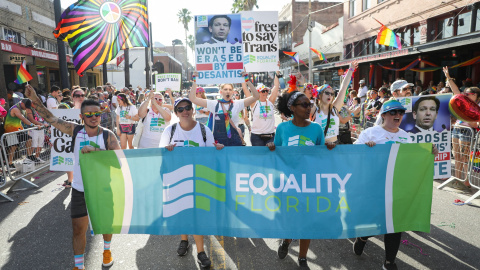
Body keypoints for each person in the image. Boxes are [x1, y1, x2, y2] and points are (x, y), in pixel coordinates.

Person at [25, 84, 120, 270]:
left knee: (105, 224)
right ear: (81, 116)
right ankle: (79, 266)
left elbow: (119, 162)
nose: (94, 117)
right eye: (89, 114)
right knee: (78, 229)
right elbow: (51, 118)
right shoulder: (76, 131)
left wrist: (97, 151)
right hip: (79, 188)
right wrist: (35, 99)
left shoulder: (108, 136)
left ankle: (107, 251)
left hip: (103, 188)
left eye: (97, 114)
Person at [353, 99, 438, 270]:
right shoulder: (370, 133)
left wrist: (431, 151)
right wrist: (366, 149)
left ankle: (389, 262)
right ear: (383, 115)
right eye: (393, 112)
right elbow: (353, 156)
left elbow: (415, 160)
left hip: (397, 188)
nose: (397, 115)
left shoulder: (406, 137)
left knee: (395, 224)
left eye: (400, 112)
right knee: (376, 221)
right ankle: (363, 237)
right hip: (374, 187)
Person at [267, 90, 332, 269]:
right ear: (292, 108)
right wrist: (272, 147)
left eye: (310, 105)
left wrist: (329, 147)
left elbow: (321, 157)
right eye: (304, 105)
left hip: (309, 184)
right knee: (289, 220)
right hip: (288, 184)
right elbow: (277, 155)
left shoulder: (316, 129)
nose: (308, 108)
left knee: (307, 222)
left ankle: (302, 257)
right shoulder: (282, 128)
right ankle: (287, 240)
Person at [159, 97, 224, 269]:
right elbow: (160, 154)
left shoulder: (204, 130)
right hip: (177, 178)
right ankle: (184, 240)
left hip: (199, 178)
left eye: (188, 107)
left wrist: (217, 149)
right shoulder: (170, 131)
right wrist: (167, 150)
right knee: (181, 212)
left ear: (193, 109)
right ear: (176, 113)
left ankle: (201, 252)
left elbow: (212, 153)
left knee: (197, 216)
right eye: (180, 109)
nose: (185, 111)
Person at [188, 71, 259, 146]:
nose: (228, 91)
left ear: (232, 92)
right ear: (221, 91)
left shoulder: (237, 104)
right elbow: (193, 99)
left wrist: (247, 80)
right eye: (225, 89)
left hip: (234, 142)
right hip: (219, 144)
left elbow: (256, 96)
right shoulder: (214, 104)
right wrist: (195, 81)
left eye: (230, 89)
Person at [444, 66, 480, 189]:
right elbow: (456, 91)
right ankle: (457, 179)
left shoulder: (478, 107)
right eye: (465, 93)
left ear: (475, 95)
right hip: (457, 130)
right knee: (457, 156)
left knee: (465, 158)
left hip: (467, 132)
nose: (465, 95)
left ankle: (466, 181)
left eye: (468, 94)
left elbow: (476, 124)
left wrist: (464, 119)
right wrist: (448, 77)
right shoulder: (463, 101)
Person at [312, 60, 358, 144]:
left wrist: (350, 69)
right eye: (327, 93)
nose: (330, 95)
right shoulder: (314, 109)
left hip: (334, 146)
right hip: (319, 147)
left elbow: (343, 87)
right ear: (320, 95)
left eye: (332, 94)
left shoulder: (335, 109)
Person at [243, 74, 280, 146]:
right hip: (257, 136)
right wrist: (245, 76)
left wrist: (277, 72)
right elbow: (245, 88)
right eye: (263, 91)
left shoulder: (270, 102)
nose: (265, 93)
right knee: (259, 156)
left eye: (266, 91)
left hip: (270, 136)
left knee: (270, 156)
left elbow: (276, 86)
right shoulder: (254, 102)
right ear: (258, 93)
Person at [4, 98, 40, 169]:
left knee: (29, 139)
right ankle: (9, 163)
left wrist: (22, 129)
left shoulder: (20, 108)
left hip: (17, 130)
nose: (26, 108)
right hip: (10, 131)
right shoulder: (15, 109)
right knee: (13, 146)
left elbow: (19, 121)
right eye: (25, 106)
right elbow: (23, 119)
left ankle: (29, 155)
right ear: (22, 103)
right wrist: (34, 125)